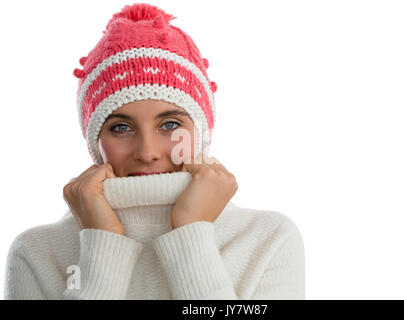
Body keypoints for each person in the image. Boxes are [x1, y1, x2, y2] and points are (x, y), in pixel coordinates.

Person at [3, 3, 305, 300]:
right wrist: (102, 244)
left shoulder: (268, 240)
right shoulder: (36, 252)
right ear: (94, 141)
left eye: (170, 124)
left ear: (201, 131)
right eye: (121, 127)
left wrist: (191, 232)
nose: (147, 152)